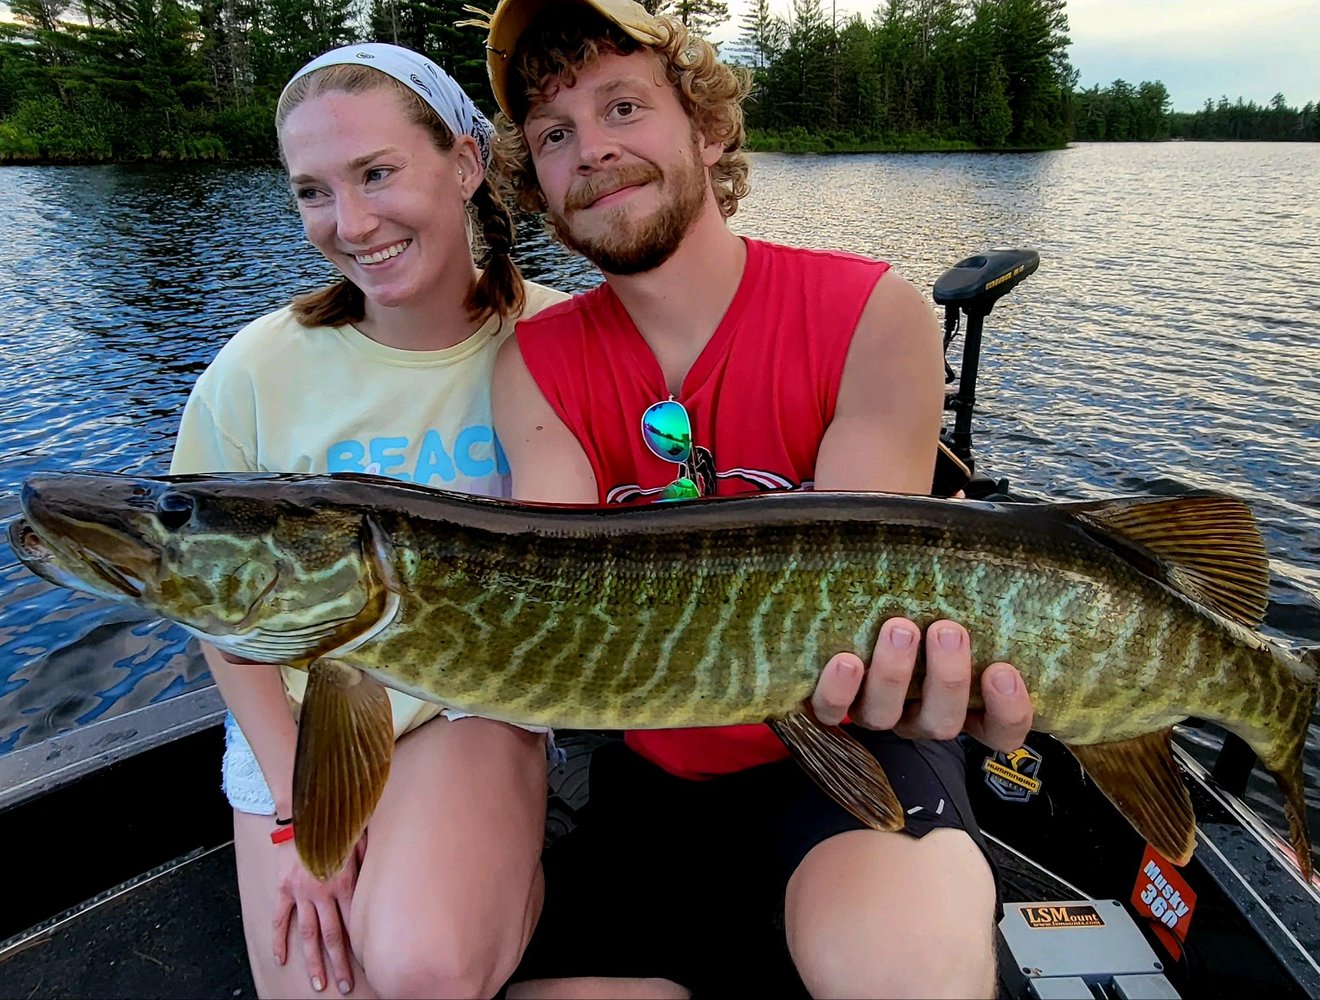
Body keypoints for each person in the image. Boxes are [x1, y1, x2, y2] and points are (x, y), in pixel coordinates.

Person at [484, 2, 1035, 997]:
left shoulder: (873, 312)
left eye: (622, 107)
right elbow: (553, 589)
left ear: (707, 126)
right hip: (656, 783)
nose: (592, 151)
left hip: (859, 747)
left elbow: (850, 618)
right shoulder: (533, 364)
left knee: (904, 975)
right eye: (555, 134)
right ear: (537, 181)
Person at [169, 43, 571, 999]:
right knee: (326, 989)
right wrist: (292, 812)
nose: (349, 223)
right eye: (313, 191)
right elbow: (214, 603)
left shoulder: (560, 343)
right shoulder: (256, 369)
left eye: (377, 173)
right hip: (298, 715)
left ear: (466, 163)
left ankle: (503, 889)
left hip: (468, 701)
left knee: (423, 968)